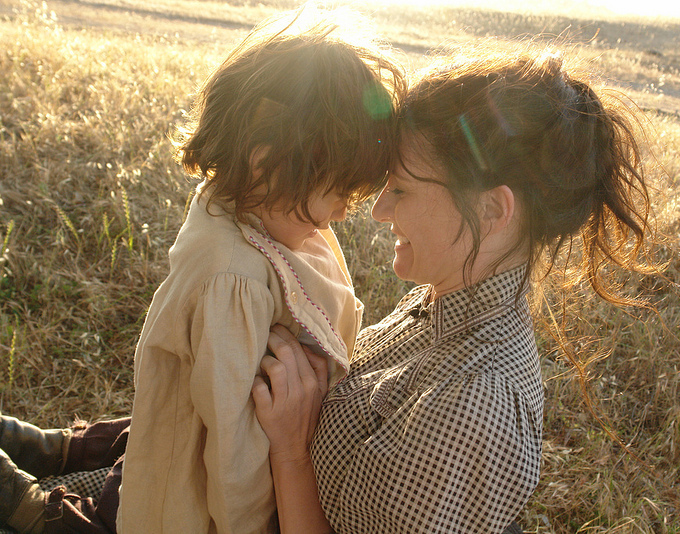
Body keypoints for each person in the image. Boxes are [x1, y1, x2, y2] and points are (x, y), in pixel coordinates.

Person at [0, 7, 403, 534]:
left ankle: (50, 449)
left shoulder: (267, 213)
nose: (344, 212)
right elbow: (232, 457)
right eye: (336, 192)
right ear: (267, 166)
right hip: (188, 491)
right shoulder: (232, 282)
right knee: (124, 507)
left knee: (147, 438)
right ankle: (25, 502)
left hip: (181, 428)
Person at [252, 44, 655, 533]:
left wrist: (292, 451)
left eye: (402, 188)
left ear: (492, 211)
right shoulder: (442, 302)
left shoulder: (475, 403)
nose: (379, 210)